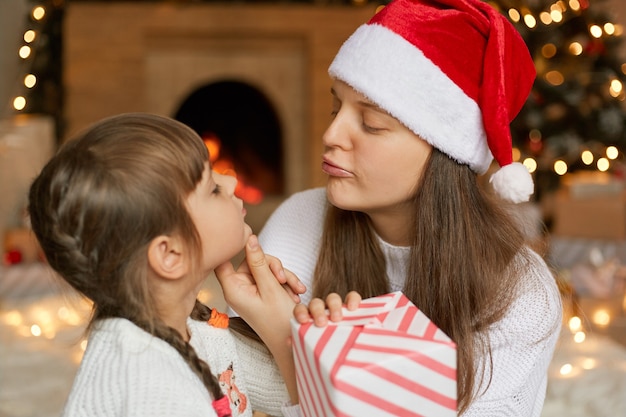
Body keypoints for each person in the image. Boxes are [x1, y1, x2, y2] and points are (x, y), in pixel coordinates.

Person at [259, 0, 563, 415]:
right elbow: (239, 396)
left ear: (444, 152)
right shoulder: (300, 221)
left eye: (372, 124)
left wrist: (288, 341)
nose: (332, 134)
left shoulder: (521, 291)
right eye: (336, 107)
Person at [27, 112, 307, 417]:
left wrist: (279, 327)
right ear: (170, 254)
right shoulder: (150, 388)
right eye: (212, 188)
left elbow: (305, 395)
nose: (231, 179)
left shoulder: (195, 330)